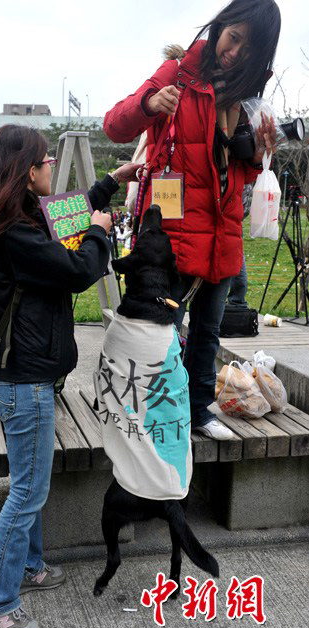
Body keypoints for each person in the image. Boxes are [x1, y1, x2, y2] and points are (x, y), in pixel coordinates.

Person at [0, 124, 141, 628]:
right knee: (28, 491)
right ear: (29, 172)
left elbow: (67, 212)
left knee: (30, 484)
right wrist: (98, 230)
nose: (51, 170)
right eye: (46, 163)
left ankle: (29, 566)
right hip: (25, 383)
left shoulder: (20, 217)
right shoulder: (17, 234)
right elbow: (78, 270)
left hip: (27, 376)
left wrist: (112, 179)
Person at [104, 0, 280, 440]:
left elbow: (234, 174)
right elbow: (114, 125)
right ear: (220, 26)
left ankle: (198, 409)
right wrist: (149, 102)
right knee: (158, 332)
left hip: (222, 233)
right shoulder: (179, 72)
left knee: (207, 332)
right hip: (173, 235)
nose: (235, 52)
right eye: (233, 37)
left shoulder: (249, 97)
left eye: (248, 47)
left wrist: (257, 155)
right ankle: (146, 410)